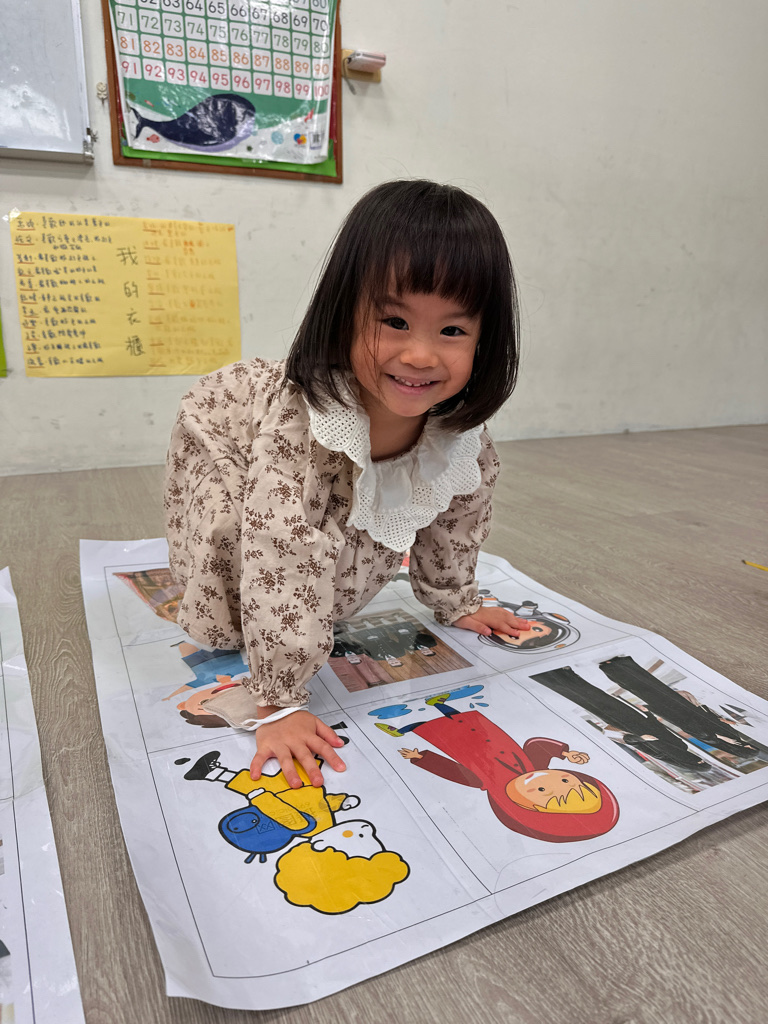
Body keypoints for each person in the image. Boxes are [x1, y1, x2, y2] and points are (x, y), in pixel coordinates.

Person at [165, 179, 531, 790]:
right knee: (242, 561)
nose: (421, 355)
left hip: (308, 501)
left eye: (453, 331)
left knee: (346, 558)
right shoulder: (300, 426)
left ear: (485, 339)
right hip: (227, 445)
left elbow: (458, 517)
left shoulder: (461, 436)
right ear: (343, 313)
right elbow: (283, 549)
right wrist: (279, 699)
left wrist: (457, 600)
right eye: (394, 321)